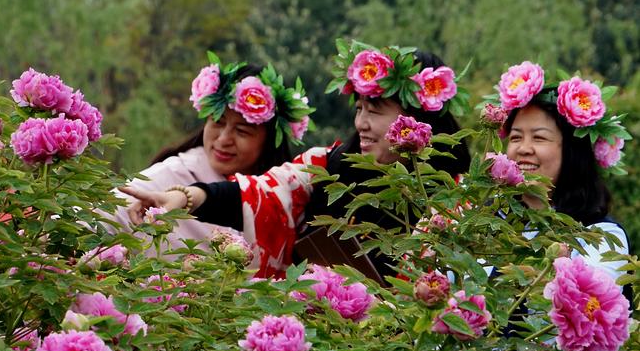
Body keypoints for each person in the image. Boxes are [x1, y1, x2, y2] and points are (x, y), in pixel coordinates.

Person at [123, 41, 471, 279]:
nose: (360, 123)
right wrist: (186, 197)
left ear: (418, 118)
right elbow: (260, 195)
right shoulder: (328, 166)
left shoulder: (458, 200)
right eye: (359, 109)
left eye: (375, 111)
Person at [494, 61, 633, 351]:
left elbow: (571, 306)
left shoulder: (603, 237)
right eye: (515, 136)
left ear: (570, 152)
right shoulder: (485, 229)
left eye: (540, 137)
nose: (523, 148)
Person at [106, 57, 313, 255]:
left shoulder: (285, 196)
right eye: (218, 122)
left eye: (242, 131)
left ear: (269, 143)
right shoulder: (173, 174)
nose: (224, 139)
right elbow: (102, 217)